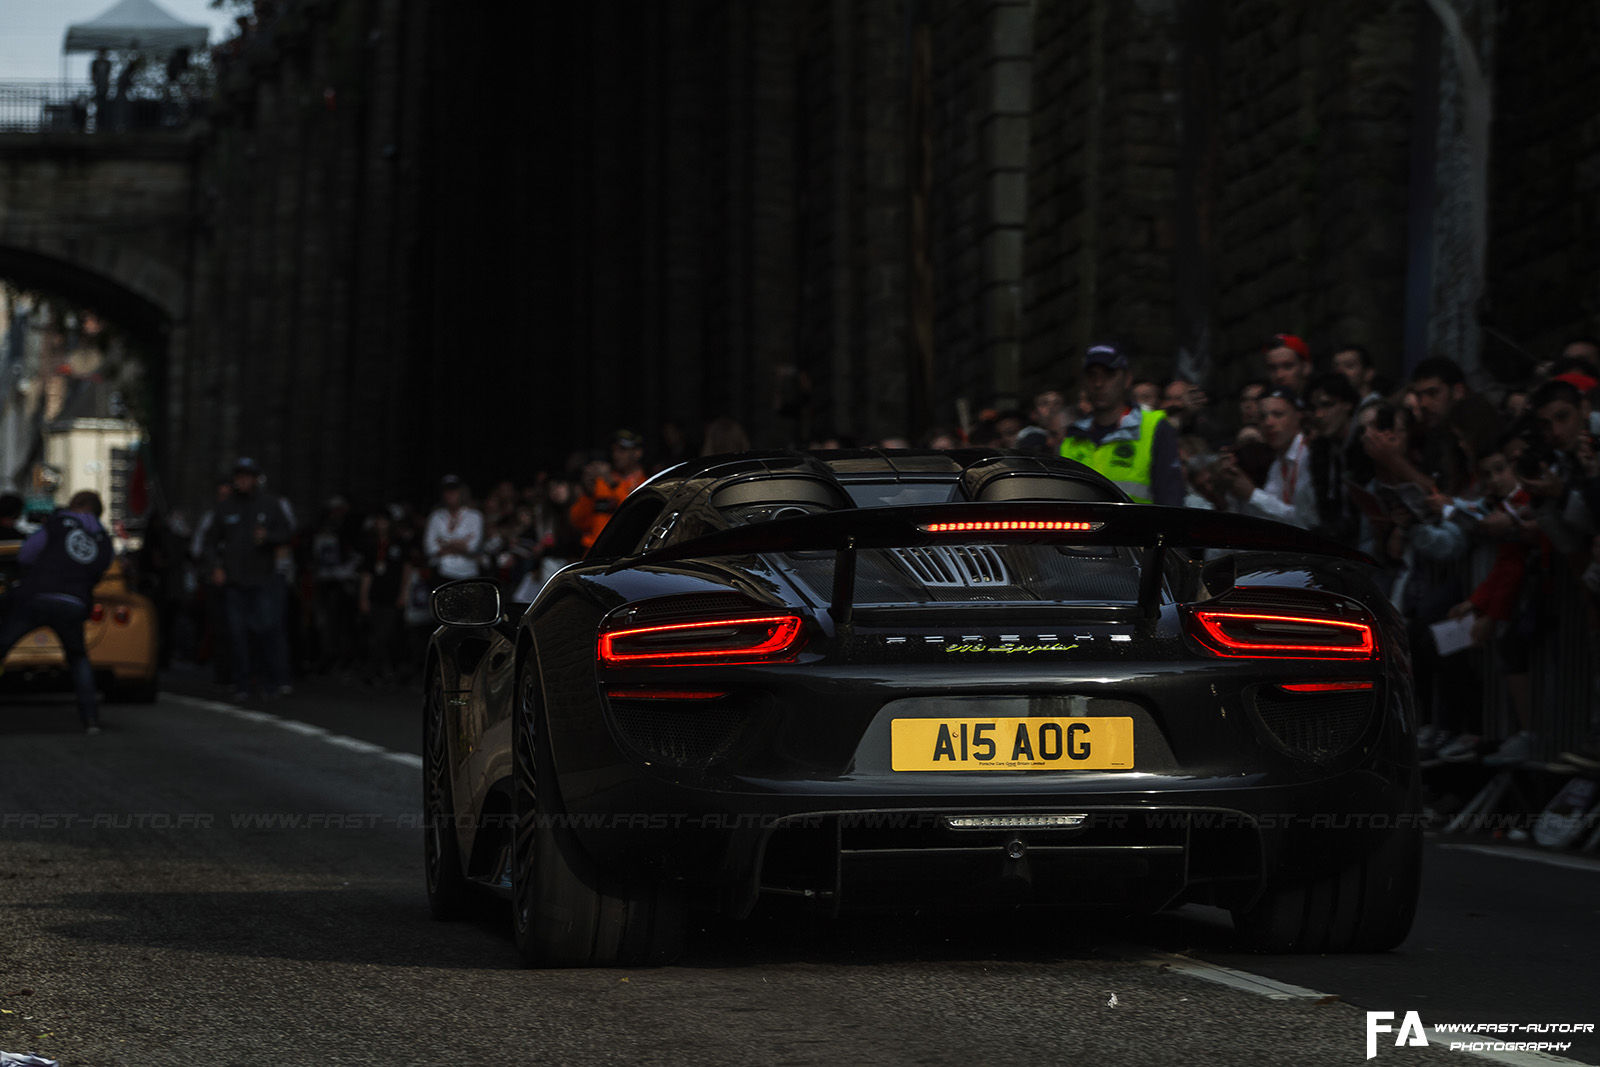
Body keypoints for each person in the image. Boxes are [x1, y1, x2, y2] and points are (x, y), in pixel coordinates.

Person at [0, 491, 113, 732]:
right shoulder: (103, 539)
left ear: (75, 504)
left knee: (3, 645)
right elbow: (99, 571)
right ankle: (90, 719)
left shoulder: (58, 524)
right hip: (74, 602)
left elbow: (26, 554)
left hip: (38, 596)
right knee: (79, 658)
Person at [207, 457, 294, 700]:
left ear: (255, 479)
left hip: (263, 580)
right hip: (235, 582)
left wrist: (269, 538)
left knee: (266, 629)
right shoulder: (226, 508)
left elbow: (287, 533)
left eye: (247, 476)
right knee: (237, 634)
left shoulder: (270, 504)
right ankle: (242, 683)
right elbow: (211, 541)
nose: (242, 480)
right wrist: (216, 566)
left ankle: (269, 680)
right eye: (238, 476)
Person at [1059, 345, 1183, 506]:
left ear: (1127, 379)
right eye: (1092, 375)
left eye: (1108, 374)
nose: (1098, 383)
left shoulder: (1154, 427)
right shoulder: (1072, 436)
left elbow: (1170, 499)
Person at [1217, 387, 1313, 527]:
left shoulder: (1308, 453)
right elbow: (1266, 519)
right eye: (1262, 417)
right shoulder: (1278, 463)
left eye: (1278, 414)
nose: (1268, 423)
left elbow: (1305, 521)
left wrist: (1253, 495)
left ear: (1299, 416)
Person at [570, 430, 649, 550]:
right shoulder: (602, 482)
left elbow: (634, 518)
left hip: (624, 554)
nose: (616, 455)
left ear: (638, 453)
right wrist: (588, 493)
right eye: (614, 450)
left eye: (622, 450)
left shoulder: (646, 484)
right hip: (594, 554)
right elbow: (578, 522)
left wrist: (612, 483)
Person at [424, 475, 485, 581]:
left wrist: (444, 542)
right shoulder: (436, 516)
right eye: (447, 491)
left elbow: (472, 547)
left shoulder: (475, 516)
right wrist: (461, 543)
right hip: (441, 572)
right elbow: (430, 548)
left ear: (461, 492)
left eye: (454, 490)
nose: (450, 495)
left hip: (468, 573)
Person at [90, 49, 111, 129]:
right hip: (98, 87)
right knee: (99, 105)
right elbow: (93, 74)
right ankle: (98, 123)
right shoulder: (95, 63)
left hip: (105, 87)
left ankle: (104, 123)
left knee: (104, 106)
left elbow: (108, 75)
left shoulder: (108, 63)